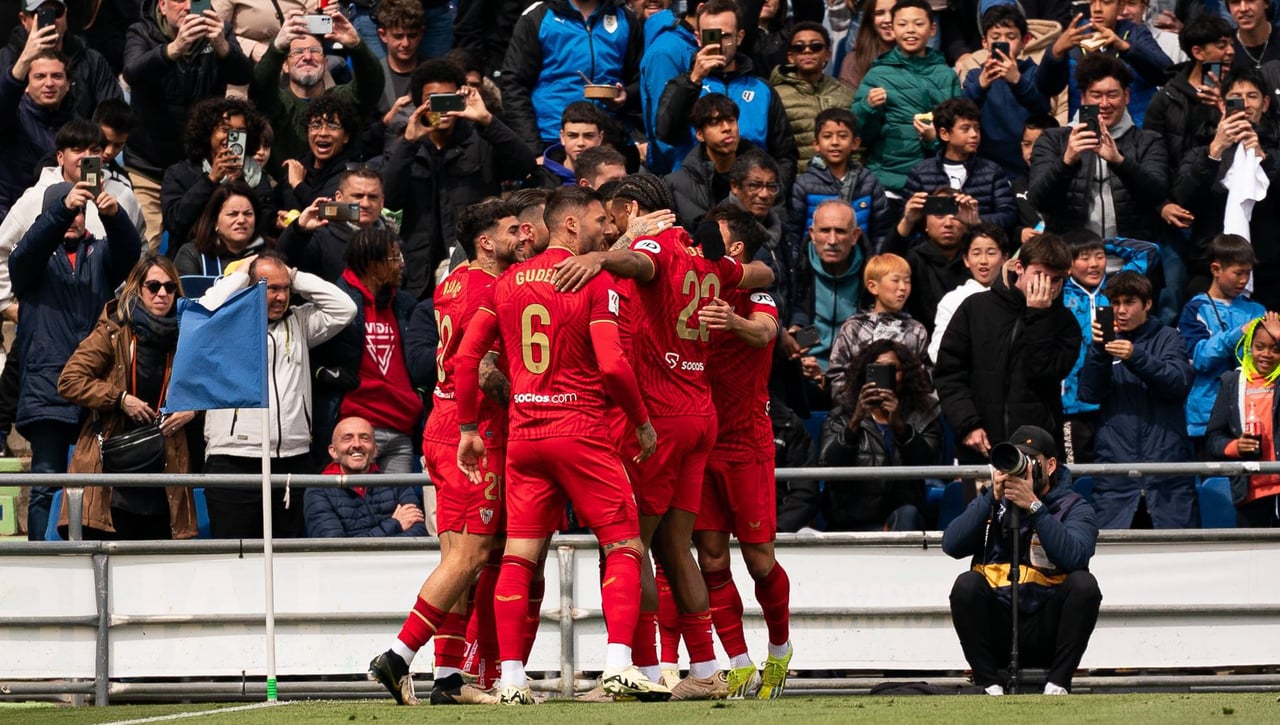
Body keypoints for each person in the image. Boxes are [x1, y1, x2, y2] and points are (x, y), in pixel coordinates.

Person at [441, 187, 668, 704]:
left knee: (518, 556)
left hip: (524, 437)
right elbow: (612, 364)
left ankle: (512, 679)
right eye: (595, 220)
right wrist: (641, 420)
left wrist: (470, 428)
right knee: (624, 544)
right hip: (581, 430)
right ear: (569, 224)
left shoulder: (506, 282)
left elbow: (467, 356)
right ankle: (617, 667)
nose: (604, 229)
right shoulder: (594, 279)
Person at [550, 197, 774, 699]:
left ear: (632, 211)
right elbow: (760, 273)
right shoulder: (711, 262)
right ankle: (707, 670)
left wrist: (602, 257)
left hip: (661, 418)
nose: (608, 226)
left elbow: (639, 262)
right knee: (677, 550)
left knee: (629, 547)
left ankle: (639, 674)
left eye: (613, 216)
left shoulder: (663, 245)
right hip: (701, 415)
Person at [370, 201, 524, 707]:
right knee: (474, 554)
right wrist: (527, 397)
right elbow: (476, 368)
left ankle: (449, 679)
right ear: (486, 242)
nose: (521, 237)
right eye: (510, 231)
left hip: (439, 428)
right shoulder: (490, 288)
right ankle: (397, 656)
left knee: (458, 559)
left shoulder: (452, 281)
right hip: (472, 434)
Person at [688, 204, 793, 700]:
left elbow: (765, 332)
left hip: (747, 442)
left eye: (713, 235)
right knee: (710, 559)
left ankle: (780, 649)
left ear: (734, 250)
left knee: (759, 561)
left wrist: (732, 320)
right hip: (701, 442)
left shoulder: (756, 293)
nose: (699, 241)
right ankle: (738, 661)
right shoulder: (691, 286)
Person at [10, 180, 142, 540]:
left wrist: (114, 218)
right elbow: (22, 257)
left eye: (80, 211)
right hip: (47, 389)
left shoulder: (100, 253)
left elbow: (131, 258)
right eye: (69, 210)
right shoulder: (33, 259)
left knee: (97, 484)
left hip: (96, 387)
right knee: (46, 485)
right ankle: (42, 560)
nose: (74, 217)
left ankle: (89, 558)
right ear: (50, 214)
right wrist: (63, 208)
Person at [198, 251, 357, 539]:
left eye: (285, 289)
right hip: (234, 458)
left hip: (292, 459)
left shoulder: (299, 323)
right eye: (271, 287)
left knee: (287, 560)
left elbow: (345, 308)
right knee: (233, 560)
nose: (281, 296)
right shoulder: (223, 326)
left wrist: (296, 276)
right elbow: (204, 309)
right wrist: (240, 275)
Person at [942, 424, 1103, 696]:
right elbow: (951, 544)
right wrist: (990, 499)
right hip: (1001, 625)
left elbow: (1075, 557)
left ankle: (1058, 684)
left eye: (1030, 462)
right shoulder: (993, 502)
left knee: (1084, 585)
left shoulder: (1074, 506)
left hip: (1046, 626)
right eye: (1016, 460)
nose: (1021, 470)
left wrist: (1035, 508)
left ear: (1051, 466)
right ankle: (988, 684)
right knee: (966, 584)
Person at [55, 256, 198, 540]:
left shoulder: (188, 336)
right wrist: (120, 398)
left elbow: (210, 389)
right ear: (137, 289)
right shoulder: (113, 329)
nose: (162, 294)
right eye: (153, 286)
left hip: (164, 470)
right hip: (112, 471)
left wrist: (193, 411)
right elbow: (69, 381)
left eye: (169, 288)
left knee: (158, 579)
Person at [383, 61, 535, 298]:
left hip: (476, 270)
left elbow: (525, 167)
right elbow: (389, 199)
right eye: (434, 100)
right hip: (418, 277)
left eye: (448, 99)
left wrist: (486, 120)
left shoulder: (481, 142)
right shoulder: (406, 147)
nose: (442, 109)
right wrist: (409, 144)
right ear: (419, 103)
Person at [935, 233, 1080, 464]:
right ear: (1019, 267)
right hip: (981, 446)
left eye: (1056, 280)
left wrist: (1039, 316)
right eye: (1041, 276)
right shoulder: (976, 308)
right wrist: (967, 424)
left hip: (1036, 450)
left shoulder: (1065, 323)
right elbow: (949, 373)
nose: (1048, 287)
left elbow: (1044, 372)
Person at [123, 0, 253, 251]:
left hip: (196, 167)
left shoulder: (219, 31)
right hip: (149, 165)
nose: (188, 7)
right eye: (180, 0)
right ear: (162, 5)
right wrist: (175, 48)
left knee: (201, 242)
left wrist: (222, 47)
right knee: (149, 247)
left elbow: (243, 75)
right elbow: (132, 73)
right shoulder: (142, 31)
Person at [1079, 271, 1196, 529]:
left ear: (1148, 304)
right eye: (1115, 303)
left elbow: (1177, 384)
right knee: (1114, 562)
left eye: (1129, 302)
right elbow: (1089, 394)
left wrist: (1136, 357)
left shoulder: (1168, 337)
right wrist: (1099, 351)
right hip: (1116, 479)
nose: (1121, 310)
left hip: (1167, 478)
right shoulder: (1102, 344)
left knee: (1178, 559)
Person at [0, 120, 144, 319]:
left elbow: (139, 249)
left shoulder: (122, 195)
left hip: (104, 318)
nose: (86, 157)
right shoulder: (36, 197)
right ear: (60, 157)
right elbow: (2, 248)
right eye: (77, 150)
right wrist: (6, 304)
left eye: (94, 150)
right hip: (50, 317)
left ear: (103, 156)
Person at [310, 228, 423, 475]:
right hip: (355, 427)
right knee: (353, 510)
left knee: (399, 509)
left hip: (400, 426)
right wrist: (322, 372)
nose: (400, 265)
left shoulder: (405, 304)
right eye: (393, 258)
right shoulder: (338, 302)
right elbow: (306, 350)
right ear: (372, 264)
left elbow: (418, 358)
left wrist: (419, 394)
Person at [656, 0, 798, 190]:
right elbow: (666, 134)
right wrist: (694, 80)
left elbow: (785, 155)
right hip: (697, 196)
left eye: (726, 36)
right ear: (698, 39)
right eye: (711, 36)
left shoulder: (762, 90)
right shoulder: (682, 85)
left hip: (752, 199)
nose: (720, 44)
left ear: (739, 37)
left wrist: (773, 194)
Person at [1029, 53, 1168, 242]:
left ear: (1126, 96)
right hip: (1070, 257)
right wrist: (1067, 162)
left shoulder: (1148, 141)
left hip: (1133, 260)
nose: (1104, 104)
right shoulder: (1054, 139)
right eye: (1096, 95)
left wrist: (1120, 162)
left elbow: (1157, 195)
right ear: (1083, 97)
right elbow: (1038, 200)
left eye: (1112, 95)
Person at [1172, 67, 1280, 304]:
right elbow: (1184, 200)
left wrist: (1264, 159)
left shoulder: (1275, 153)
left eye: (1252, 96)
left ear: (1266, 103)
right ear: (1222, 105)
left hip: (1269, 270)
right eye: (1236, 97)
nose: (1244, 104)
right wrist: (1214, 151)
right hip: (1210, 268)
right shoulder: (1201, 151)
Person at [1059, 230, 1162, 463]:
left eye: (1100, 256)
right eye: (1084, 258)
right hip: (1071, 406)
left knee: (1112, 474)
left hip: (1114, 403)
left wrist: (1103, 243)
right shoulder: (1059, 293)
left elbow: (1149, 251)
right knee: (1076, 476)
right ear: (1069, 263)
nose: (1094, 264)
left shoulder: (1116, 288)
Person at [819, 339, 940, 531]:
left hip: (903, 518)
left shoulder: (922, 416)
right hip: (852, 519)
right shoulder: (841, 416)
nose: (888, 376)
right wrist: (855, 421)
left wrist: (900, 427)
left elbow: (928, 462)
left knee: (908, 514)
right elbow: (828, 464)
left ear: (905, 375)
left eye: (894, 370)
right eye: (879, 369)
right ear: (866, 374)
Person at [248, 9, 383, 172]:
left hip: (337, 187)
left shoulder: (341, 99)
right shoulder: (277, 103)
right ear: (285, 66)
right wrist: (277, 47)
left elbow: (372, 84)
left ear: (326, 63)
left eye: (314, 51)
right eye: (297, 52)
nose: (307, 57)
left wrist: (357, 45)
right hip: (283, 190)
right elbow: (260, 86)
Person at [850, 0, 961, 196]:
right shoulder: (877, 74)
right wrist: (868, 107)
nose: (910, 30)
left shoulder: (946, 75)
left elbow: (959, 131)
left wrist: (934, 140)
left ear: (932, 29)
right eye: (902, 24)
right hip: (887, 180)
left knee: (941, 226)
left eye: (919, 24)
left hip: (937, 181)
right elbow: (861, 134)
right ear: (892, 29)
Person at [498, 0, 640, 149]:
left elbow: (642, 81)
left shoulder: (625, 16)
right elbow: (514, 85)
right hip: (552, 139)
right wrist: (533, 148)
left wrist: (626, 96)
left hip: (611, 141)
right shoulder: (538, 16)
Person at [1180, 235, 1266, 447]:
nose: (1244, 280)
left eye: (1248, 273)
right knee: (1211, 480)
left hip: (1252, 415)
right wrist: (1240, 332)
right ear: (1215, 269)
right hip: (1206, 418)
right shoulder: (1195, 309)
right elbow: (1200, 358)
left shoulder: (1257, 310)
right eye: (1238, 273)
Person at [160, 97, 273, 251]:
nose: (231, 138)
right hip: (195, 255)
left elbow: (264, 222)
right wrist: (210, 180)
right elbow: (174, 222)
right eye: (225, 130)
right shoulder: (179, 173)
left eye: (240, 132)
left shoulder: (255, 174)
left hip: (245, 255)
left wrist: (239, 183)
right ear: (208, 131)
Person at [1036, 0, 1173, 125]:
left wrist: (1125, 47)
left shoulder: (1135, 33)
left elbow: (1166, 72)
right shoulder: (1075, 36)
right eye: (1092, 2)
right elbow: (1048, 88)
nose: (1097, 9)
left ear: (1120, 7)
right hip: (1088, 129)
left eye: (1106, 2)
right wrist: (1055, 53)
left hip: (1136, 133)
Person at [1205, 313, 1280, 527]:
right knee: (1254, 559)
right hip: (1250, 493)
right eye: (1260, 347)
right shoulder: (1232, 383)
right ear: (1249, 347)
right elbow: (1213, 438)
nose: (1266, 354)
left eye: (1275, 349)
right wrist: (1236, 446)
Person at [961, 5, 1053, 178]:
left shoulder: (1034, 72)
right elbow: (962, 115)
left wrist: (1017, 80)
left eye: (1011, 37)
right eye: (996, 37)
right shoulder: (975, 76)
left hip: (1027, 165)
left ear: (1025, 40)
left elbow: (1042, 108)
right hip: (984, 167)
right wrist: (982, 85)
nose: (1003, 42)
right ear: (984, 42)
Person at [1141, 14, 1235, 181]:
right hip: (1180, 190)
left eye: (1231, 45)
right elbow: (1153, 156)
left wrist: (1226, 105)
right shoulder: (1166, 98)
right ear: (1198, 52)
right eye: (1222, 46)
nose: (1231, 51)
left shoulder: (1241, 90)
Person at [789, 199, 865, 400]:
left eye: (840, 231)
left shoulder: (871, 274)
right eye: (825, 231)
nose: (832, 240)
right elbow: (797, 326)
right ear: (812, 235)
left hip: (855, 377)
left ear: (855, 236)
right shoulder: (796, 269)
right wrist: (798, 356)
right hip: (805, 374)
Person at [303, 416, 428, 537]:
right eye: (347, 438)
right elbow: (335, 548)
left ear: (375, 450)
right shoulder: (317, 491)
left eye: (365, 438)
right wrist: (395, 524)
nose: (357, 444)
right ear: (333, 451)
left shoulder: (397, 485)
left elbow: (418, 531)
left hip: (400, 558)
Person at [904, 98, 1016, 232]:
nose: (974, 134)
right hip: (934, 248)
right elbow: (908, 219)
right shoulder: (921, 173)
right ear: (944, 134)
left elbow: (1009, 216)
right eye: (966, 128)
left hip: (979, 245)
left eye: (977, 128)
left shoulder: (992, 171)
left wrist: (977, 221)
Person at [788, 108, 890, 256]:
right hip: (814, 265)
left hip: (861, 265)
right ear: (816, 144)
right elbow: (793, 232)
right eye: (827, 136)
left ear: (855, 143)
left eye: (843, 136)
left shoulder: (869, 182)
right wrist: (798, 267)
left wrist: (873, 262)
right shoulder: (803, 185)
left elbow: (881, 231)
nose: (835, 142)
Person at [827, 253, 928, 398]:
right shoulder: (854, 328)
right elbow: (837, 375)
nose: (903, 287)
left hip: (905, 412)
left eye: (907, 281)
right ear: (873, 286)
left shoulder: (916, 330)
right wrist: (854, 407)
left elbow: (924, 378)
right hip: (860, 410)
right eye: (895, 280)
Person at [1, 0, 124, 120]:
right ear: (24, 19)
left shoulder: (91, 60)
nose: (52, 21)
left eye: (57, 12)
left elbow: (113, 114)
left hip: (82, 136)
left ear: (65, 14)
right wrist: (25, 60)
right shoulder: (7, 58)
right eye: (41, 13)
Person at [885, 187, 977, 334]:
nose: (948, 223)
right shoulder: (915, 258)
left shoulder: (975, 260)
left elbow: (994, 255)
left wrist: (975, 222)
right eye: (939, 215)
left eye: (954, 215)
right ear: (925, 224)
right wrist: (908, 221)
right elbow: (885, 265)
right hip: (922, 339)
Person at [277, 167, 388, 282]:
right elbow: (282, 261)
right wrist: (298, 229)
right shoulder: (320, 237)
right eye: (358, 196)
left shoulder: (394, 240)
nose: (365, 204)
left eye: (373, 197)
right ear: (339, 198)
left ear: (382, 202)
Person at [771, 21, 855, 172]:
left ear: (827, 54)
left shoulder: (846, 94)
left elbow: (858, 147)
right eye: (799, 47)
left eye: (815, 47)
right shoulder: (775, 96)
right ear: (791, 56)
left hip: (845, 184)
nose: (807, 51)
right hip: (797, 185)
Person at [0, 48, 75, 218]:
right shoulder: (11, 116)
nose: (49, 83)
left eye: (56, 76)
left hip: (60, 220)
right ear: (26, 84)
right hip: (8, 216)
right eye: (40, 76)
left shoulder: (77, 125)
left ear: (68, 83)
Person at [665, 93, 748, 231]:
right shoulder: (675, 185)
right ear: (700, 134)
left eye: (731, 120)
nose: (727, 128)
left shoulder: (761, 175)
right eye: (715, 123)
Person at [928, 224, 1008, 364]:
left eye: (991, 253)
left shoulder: (1014, 298)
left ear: (1005, 258)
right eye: (976, 253)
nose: (983, 261)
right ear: (966, 259)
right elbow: (937, 351)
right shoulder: (953, 300)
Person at [640, 2, 701, 174]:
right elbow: (662, 127)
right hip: (679, 170)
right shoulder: (666, 52)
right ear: (702, 8)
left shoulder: (699, 44)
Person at [279, 95, 363, 211]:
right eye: (316, 125)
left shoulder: (353, 174)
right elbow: (271, 205)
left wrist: (298, 184)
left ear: (346, 136)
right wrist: (276, 220)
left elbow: (335, 211)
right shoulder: (299, 166)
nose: (323, 133)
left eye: (332, 126)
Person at [173, 182, 268, 279]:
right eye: (233, 214)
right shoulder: (192, 255)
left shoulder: (269, 254)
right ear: (215, 221)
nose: (241, 220)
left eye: (248, 214)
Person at [531, 102, 610, 188]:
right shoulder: (540, 180)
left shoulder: (613, 177)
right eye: (573, 135)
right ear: (562, 137)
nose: (581, 143)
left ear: (600, 138)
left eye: (589, 136)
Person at [375, 0, 427, 123]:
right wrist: (387, 120)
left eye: (412, 36)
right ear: (383, 35)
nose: (406, 44)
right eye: (398, 37)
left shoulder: (434, 73)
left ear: (421, 34)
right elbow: (363, 133)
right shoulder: (372, 76)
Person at [838, 0, 894, 91]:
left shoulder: (920, 56)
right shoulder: (854, 61)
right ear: (870, 19)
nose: (888, 19)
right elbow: (847, 103)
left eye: (894, 12)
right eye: (879, 13)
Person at [1228, 0, 1280, 69]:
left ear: (1266, 3)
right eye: (1235, 2)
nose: (1243, 9)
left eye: (1251, 0)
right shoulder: (1224, 49)